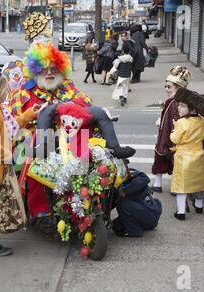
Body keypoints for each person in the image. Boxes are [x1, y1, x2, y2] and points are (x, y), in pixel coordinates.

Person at [10, 42, 135, 222]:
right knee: (35, 161)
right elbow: (15, 119)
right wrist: (32, 116)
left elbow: (84, 102)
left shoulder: (66, 86)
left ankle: (98, 197)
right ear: (36, 71)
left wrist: (91, 110)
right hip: (40, 138)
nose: (50, 73)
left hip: (70, 134)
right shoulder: (25, 91)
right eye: (44, 69)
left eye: (54, 68)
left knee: (98, 153)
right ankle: (40, 212)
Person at [0, 70, 46, 256]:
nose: (9, 92)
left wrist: (29, 114)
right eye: (6, 88)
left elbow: (8, 126)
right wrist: (7, 155)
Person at [170, 88, 204, 221]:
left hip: (183, 156)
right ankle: (199, 206)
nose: (179, 108)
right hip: (199, 155)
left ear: (192, 108)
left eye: (182, 106)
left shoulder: (181, 123)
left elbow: (175, 139)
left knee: (181, 185)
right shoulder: (203, 121)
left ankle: (181, 212)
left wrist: (174, 128)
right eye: (179, 105)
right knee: (199, 182)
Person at [151, 66, 191, 193]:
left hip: (173, 135)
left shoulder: (175, 101)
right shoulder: (174, 100)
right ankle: (166, 185)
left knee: (169, 158)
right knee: (168, 159)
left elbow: (176, 119)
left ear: (178, 88)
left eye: (169, 87)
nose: (166, 89)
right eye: (166, 86)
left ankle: (166, 185)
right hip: (170, 134)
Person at [112, 169, 162, 237]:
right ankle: (147, 225)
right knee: (116, 225)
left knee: (122, 203)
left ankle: (135, 232)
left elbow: (145, 178)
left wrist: (124, 191)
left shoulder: (133, 176)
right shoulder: (127, 175)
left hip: (150, 213)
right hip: (146, 211)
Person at [109, 41, 133, 106]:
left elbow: (115, 66)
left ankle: (121, 97)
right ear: (129, 51)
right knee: (125, 87)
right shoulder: (130, 58)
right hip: (127, 75)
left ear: (123, 51)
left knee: (120, 87)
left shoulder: (120, 59)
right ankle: (125, 98)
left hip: (121, 75)